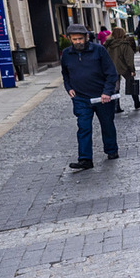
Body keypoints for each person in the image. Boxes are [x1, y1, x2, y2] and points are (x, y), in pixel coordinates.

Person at [60, 23, 119, 170]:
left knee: (107, 125)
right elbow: (65, 74)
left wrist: (107, 92)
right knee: (83, 127)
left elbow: (111, 73)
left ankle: (111, 150)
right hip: (80, 98)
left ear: (86, 37)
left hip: (102, 97)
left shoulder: (99, 50)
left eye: (80, 38)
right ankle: (85, 159)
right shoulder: (67, 54)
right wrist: (69, 88)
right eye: (75, 39)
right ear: (70, 39)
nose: (78, 42)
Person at [106, 27, 140, 110]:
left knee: (115, 88)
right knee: (132, 84)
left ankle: (117, 107)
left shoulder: (108, 45)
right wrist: (132, 70)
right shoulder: (125, 45)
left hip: (112, 69)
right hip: (124, 68)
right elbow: (129, 59)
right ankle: (136, 102)